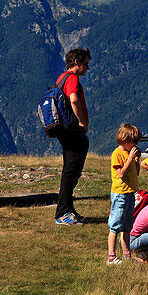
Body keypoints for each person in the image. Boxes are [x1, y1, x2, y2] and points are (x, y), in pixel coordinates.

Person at [54, 48, 90, 225]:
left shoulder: (61, 77)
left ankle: (68, 209)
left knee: (70, 170)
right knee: (70, 172)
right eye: (85, 64)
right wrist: (81, 122)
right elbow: (74, 99)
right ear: (76, 62)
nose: (87, 68)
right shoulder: (73, 78)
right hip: (72, 131)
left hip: (64, 130)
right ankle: (62, 213)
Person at [107, 123, 142, 264]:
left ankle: (126, 254)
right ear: (125, 141)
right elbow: (121, 174)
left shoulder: (129, 153)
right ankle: (111, 256)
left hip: (130, 193)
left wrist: (136, 160)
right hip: (120, 194)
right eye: (134, 142)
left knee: (127, 226)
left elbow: (136, 173)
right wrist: (129, 159)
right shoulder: (117, 154)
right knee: (116, 225)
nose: (136, 144)